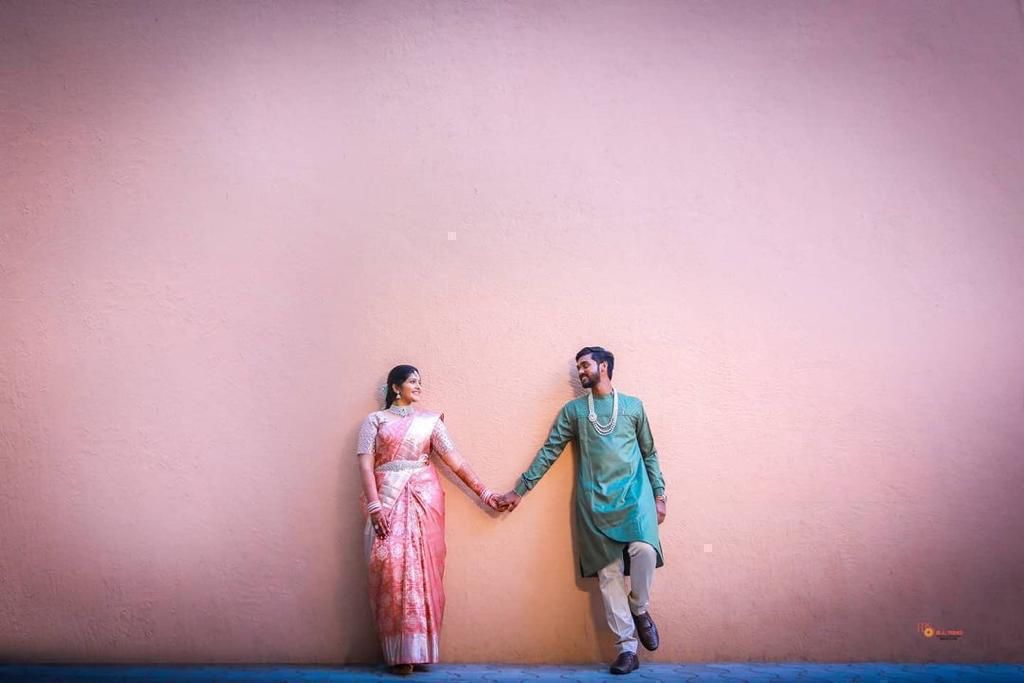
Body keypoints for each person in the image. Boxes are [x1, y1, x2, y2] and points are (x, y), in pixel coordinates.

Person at [497, 347, 668, 675]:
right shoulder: (574, 411)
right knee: (609, 574)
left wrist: (660, 495)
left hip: (636, 498)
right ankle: (627, 649)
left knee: (645, 550)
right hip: (594, 503)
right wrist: (519, 490)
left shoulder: (633, 407)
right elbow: (549, 451)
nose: (580, 371)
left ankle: (639, 607)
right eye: (578, 367)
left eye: (585, 364)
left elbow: (650, 452)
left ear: (604, 366)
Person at [357, 364, 502, 675]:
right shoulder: (374, 421)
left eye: (419, 382)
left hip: (424, 498)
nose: (418, 387)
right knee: (390, 568)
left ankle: (419, 650)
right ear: (396, 387)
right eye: (412, 382)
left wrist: (484, 492)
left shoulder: (430, 422)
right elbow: (366, 466)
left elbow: (455, 460)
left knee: (424, 570)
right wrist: (374, 506)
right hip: (386, 499)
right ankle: (398, 653)